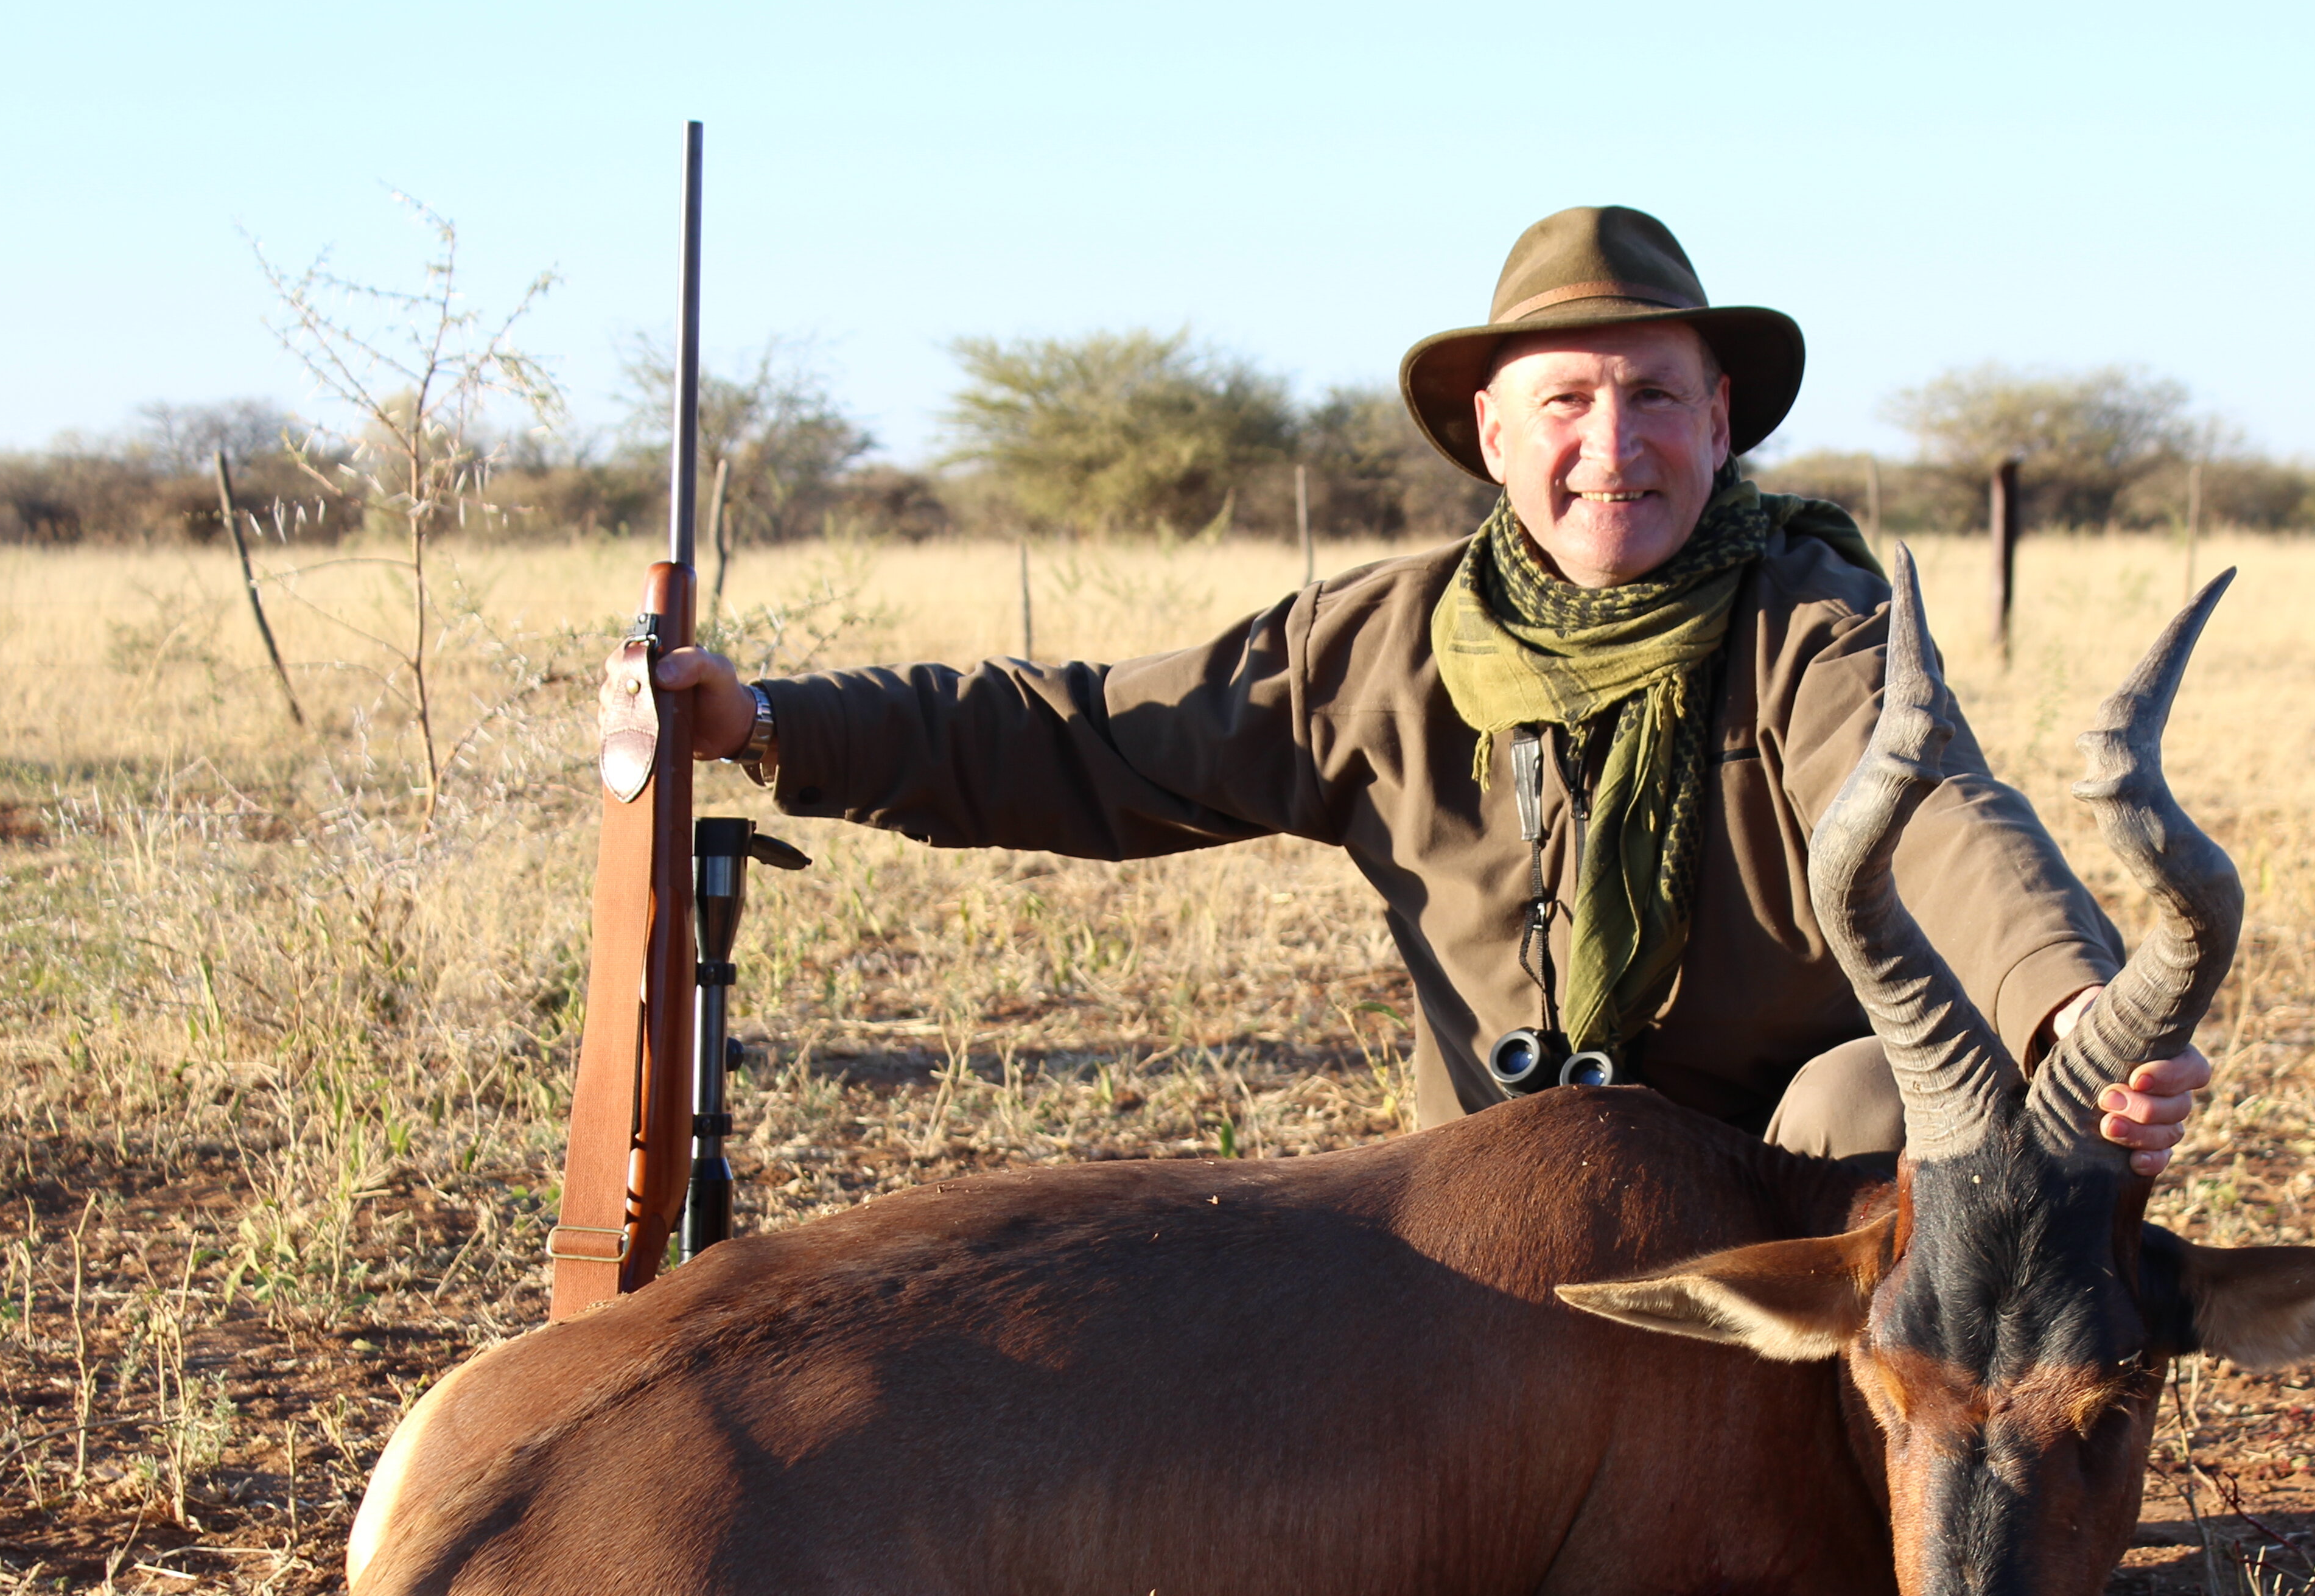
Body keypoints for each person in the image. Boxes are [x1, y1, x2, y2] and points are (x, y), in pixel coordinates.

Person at [650, 206, 2208, 1163]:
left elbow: (1940, 815)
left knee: (1879, 1106)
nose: (1615, 448)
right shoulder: (1381, 643)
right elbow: (1083, 739)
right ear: (1488, 429)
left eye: (1655, 395)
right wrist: (768, 721)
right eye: (1569, 401)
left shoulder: (1813, 628)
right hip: (1495, 1205)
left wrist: (2070, 1012)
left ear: (1720, 418)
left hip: (1767, 1218)